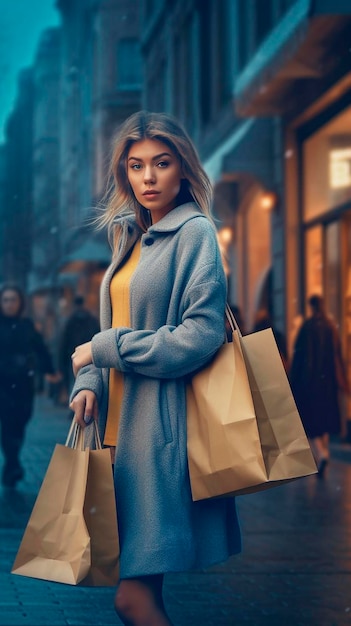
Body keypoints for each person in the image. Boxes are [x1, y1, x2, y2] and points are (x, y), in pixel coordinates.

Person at [69, 111, 242, 626]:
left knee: (132, 596)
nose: (148, 177)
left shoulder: (194, 234)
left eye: (161, 164)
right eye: (137, 165)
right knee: (143, 592)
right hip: (116, 436)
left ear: (182, 168)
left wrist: (105, 351)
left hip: (159, 436)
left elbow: (201, 335)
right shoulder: (126, 237)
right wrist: (88, 380)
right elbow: (111, 327)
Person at [0, 284, 60, 487]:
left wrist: (50, 371)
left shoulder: (26, 325)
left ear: (20, 302)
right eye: (6, 300)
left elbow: (41, 349)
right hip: (3, 385)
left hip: (25, 384)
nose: (9, 304)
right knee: (8, 425)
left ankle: (12, 461)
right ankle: (12, 465)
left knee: (21, 422)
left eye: (13, 300)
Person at [289, 294, 349, 477]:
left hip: (310, 383)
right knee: (323, 421)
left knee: (310, 423)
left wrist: (294, 381)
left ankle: (321, 454)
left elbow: (299, 358)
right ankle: (325, 453)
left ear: (311, 307)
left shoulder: (307, 327)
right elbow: (338, 356)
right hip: (328, 383)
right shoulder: (331, 327)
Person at [58, 295, 100, 406]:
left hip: (73, 355)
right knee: (86, 380)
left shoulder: (70, 321)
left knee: (75, 380)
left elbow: (64, 342)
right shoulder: (91, 320)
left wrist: (61, 362)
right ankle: (83, 404)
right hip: (89, 355)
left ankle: (76, 404)